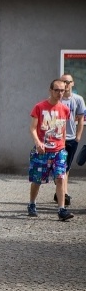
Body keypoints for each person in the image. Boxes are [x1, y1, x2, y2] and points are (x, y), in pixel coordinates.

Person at [27, 79, 73, 221]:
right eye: (57, 90)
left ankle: (61, 210)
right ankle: (32, 203)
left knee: (60, 178)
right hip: (42, 151)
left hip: (59, 151)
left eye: (62, 90)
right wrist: (38, 142)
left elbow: (63, 129)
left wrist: (63, 146)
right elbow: (32, 128)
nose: (60, 93)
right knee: (37, 180)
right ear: (50, 90)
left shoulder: (65, 109)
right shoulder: (39, 107)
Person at [56, 73, 84, 206]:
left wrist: (78, 136)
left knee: (66, 167)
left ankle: (61, 192)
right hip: (57, 139)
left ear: (72, 83)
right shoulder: (57, 99)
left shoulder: (78, 99)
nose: (65, 84)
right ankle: (64, 193)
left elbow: (81, 118)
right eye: (63, 82)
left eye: (68, 82)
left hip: (72, 138)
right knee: (61, 167)